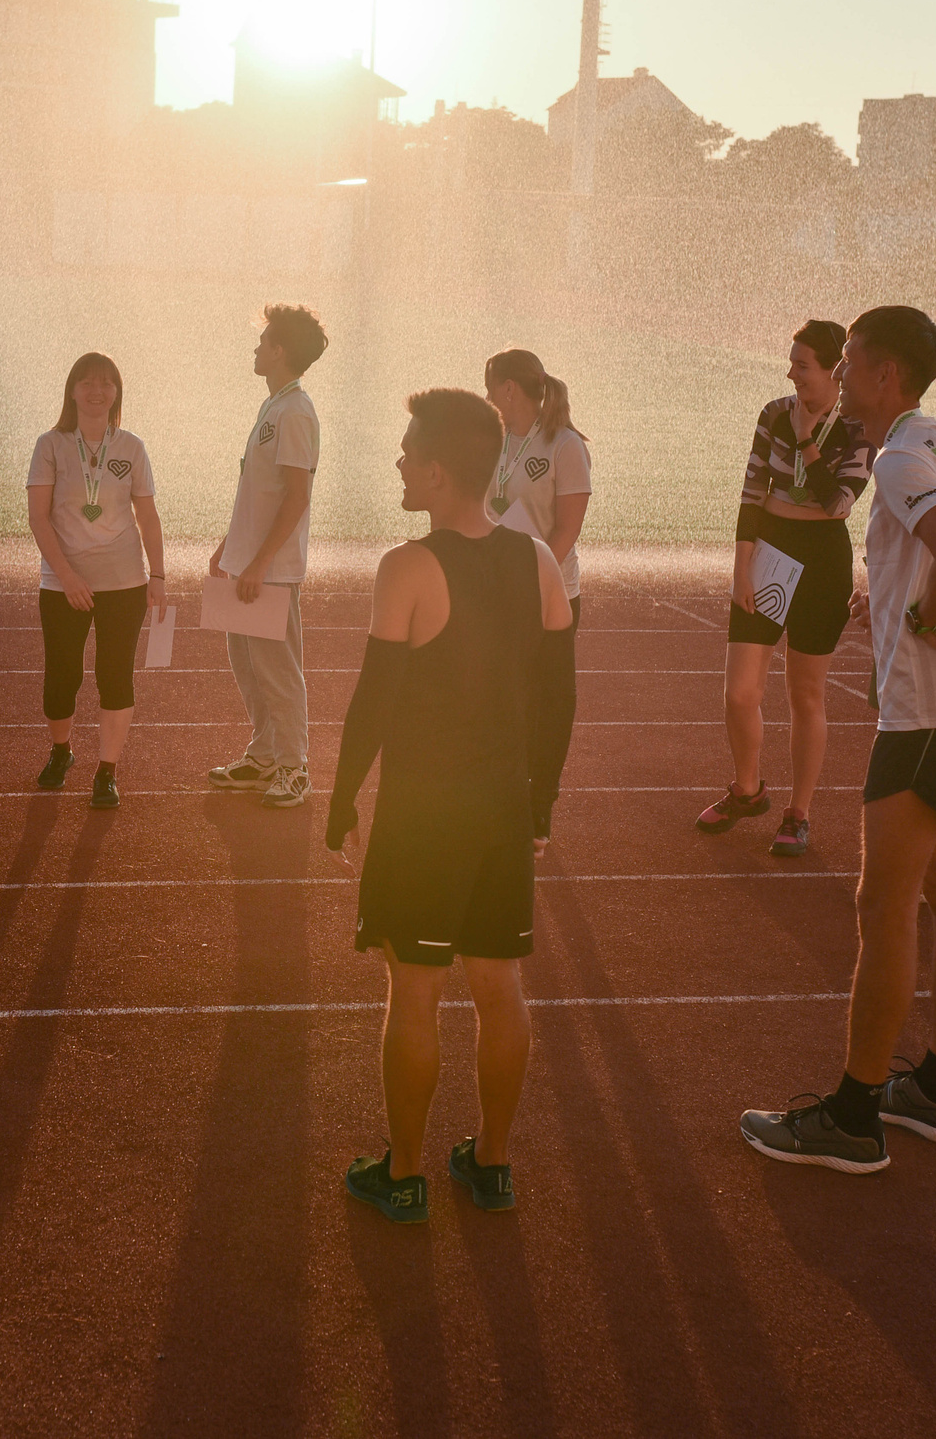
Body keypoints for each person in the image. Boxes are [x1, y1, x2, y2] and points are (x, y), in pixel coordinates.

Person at [741, 304, 936, 1173]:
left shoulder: (895, 455)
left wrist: (923, 617)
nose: (842, 375)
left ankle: (853, 1114)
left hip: (924, 715)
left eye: (850, 362)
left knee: (882, 907)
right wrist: (898, 599)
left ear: (887, 373)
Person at [326, 388, 573, 1222]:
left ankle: (402, 1171)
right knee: (500, 983)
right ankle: (492, 1162)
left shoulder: (407, 565)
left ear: (437, 470)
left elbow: (373, 702)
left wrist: (338, 801)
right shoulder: (537, 560)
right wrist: (539, 806)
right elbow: (559, 700)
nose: (397, 461)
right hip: (504, 810)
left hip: (426, 816)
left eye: (406, 451)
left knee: (417, 988)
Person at [699, 320, 873, 857]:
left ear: (831, 371)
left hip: (823, 557)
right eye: (791, 363)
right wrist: (741, 566)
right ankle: (748, 789)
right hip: (770, 548)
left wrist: (805, 440)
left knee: (805, 692)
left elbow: (837, 503)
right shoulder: (773, 412)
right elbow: (752, 491)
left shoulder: (860, 425)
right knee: (740, 691)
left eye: (802, 364)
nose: (791, 372)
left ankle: (799, 813)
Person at [26, 353, 165, 810]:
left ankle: (107, 770)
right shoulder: (50, 444)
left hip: (123, 581)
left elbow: (147, 515)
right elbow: (38, 517)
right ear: (72, 390)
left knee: (114, 675)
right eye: (86, 382)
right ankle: (62, 750)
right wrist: (66, 577)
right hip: (63, 582)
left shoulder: (131, 446)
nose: (96, 390)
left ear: (117, 392)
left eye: (106, 383)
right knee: (61, 679)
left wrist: (158, 575)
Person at [207, 303, 327, 809]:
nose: (256, 348)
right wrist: (229, 549)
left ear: (280, 350)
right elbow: (258, 492)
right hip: (247, 561)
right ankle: (264, 754)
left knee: (277, 667)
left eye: (263, 342)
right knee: (247, 664)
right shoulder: (274, 406)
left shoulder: (296, 411)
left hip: (270, 569)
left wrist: (258, 564)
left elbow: (297, 497)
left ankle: (294, 766)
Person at [482, 347, 592, 854]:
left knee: (552, 703)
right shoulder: (493, 440)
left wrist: (537, 577)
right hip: (494, 591)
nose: (487, 396)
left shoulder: (565, 445)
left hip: (549, 594)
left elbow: (567, 529)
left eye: (490, 386)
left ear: (509, 388)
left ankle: (539, 805)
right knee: (504, 697)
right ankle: (502, 796)